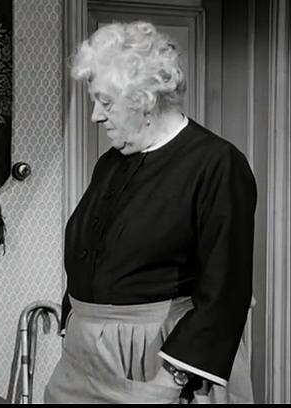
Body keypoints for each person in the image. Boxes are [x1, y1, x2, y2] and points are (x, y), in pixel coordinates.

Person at [45, 21, 256, 404]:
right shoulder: (110, 163)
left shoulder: (216, 164)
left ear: (145, 99)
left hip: (158, 365)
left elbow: (227, 290)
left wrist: (173, 380)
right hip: (83, 363)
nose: (95, 116)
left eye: (105, 102)